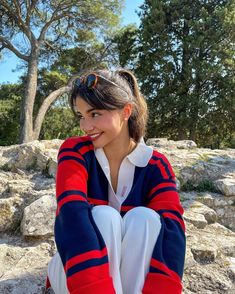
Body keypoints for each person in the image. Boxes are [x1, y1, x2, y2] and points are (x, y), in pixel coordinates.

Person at [46, 69, 186, 294]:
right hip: (78, 273)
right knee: (104, 216)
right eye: (81, 116)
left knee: (146, 219)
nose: (85, 126)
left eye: (94, 114)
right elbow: (71, 213)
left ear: (125, 111)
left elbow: (172, 230)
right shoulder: (75, 152)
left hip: (131, 279)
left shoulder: (155, 165)